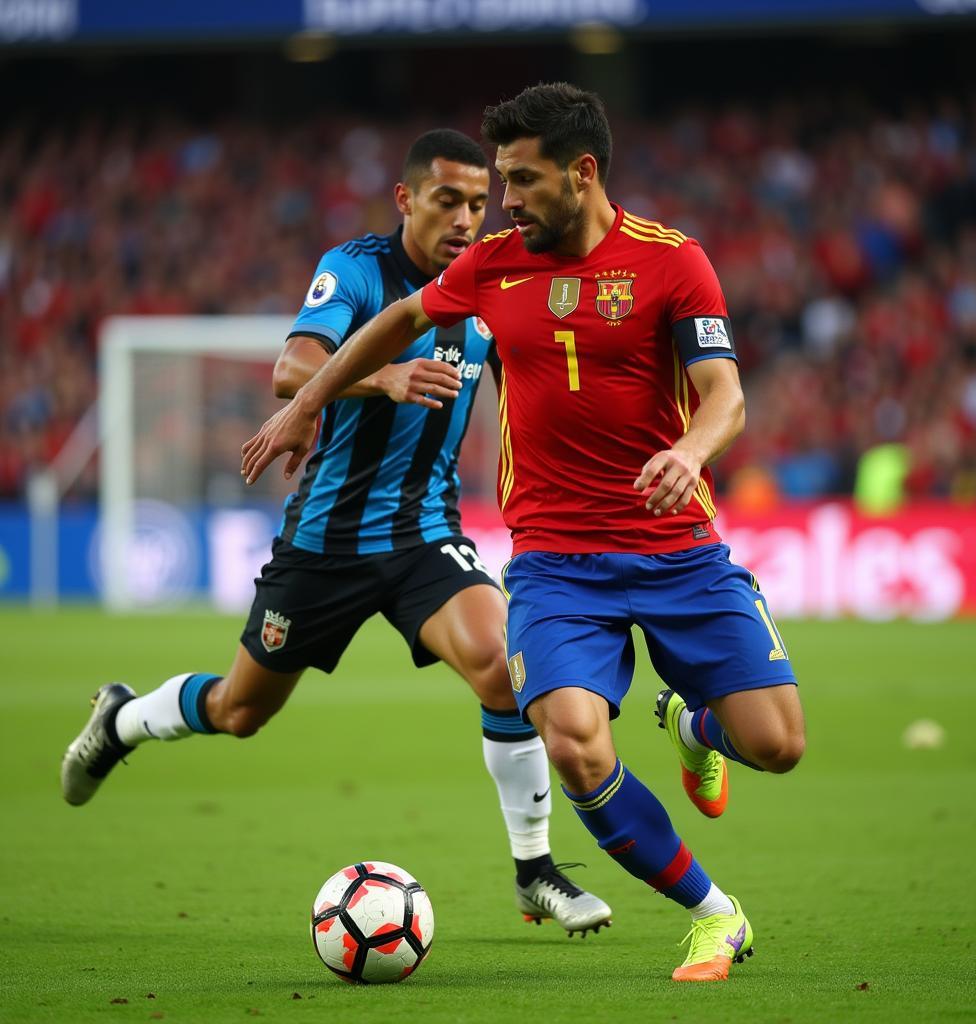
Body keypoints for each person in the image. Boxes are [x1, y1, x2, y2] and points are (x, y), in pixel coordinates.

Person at [239, 86, 807, 983]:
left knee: (777, 745)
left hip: (676, 549)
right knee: (576, 741)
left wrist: (693, 450)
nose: (501, 203)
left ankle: (694, 727)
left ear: (583, 174)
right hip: (554, 564)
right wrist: (307, 401)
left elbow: (726, 393)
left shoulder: (674, 262)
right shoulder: (493, 267)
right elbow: (397, 320)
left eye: (522, 180)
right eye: (500, 181)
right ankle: (714, 914)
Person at [61, 128, 612, 937]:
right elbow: (293, 369)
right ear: (406, 200)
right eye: (447, 201)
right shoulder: (353, 268)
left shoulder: (497, 276)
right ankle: (121, 718)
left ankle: (535, 872)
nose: (466, 218)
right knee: (241, 709)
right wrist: (382, 374)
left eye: (476, 202)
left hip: (426, 531)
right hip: (325, 540)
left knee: (503, 667)